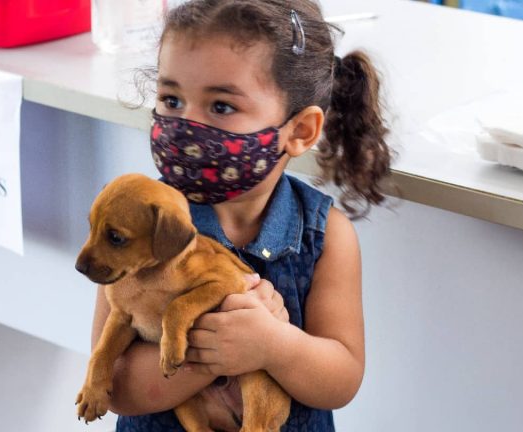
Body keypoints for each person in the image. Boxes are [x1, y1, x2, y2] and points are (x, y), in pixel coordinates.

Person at [90, 0, 392, 430]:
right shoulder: (137, 223)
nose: (186, 127)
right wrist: (214, 354)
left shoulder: (326, 234)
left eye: (221, 106)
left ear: (300, 131)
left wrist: (273, 345)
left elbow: (341, 379)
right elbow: (115, 389)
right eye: (172, 99)